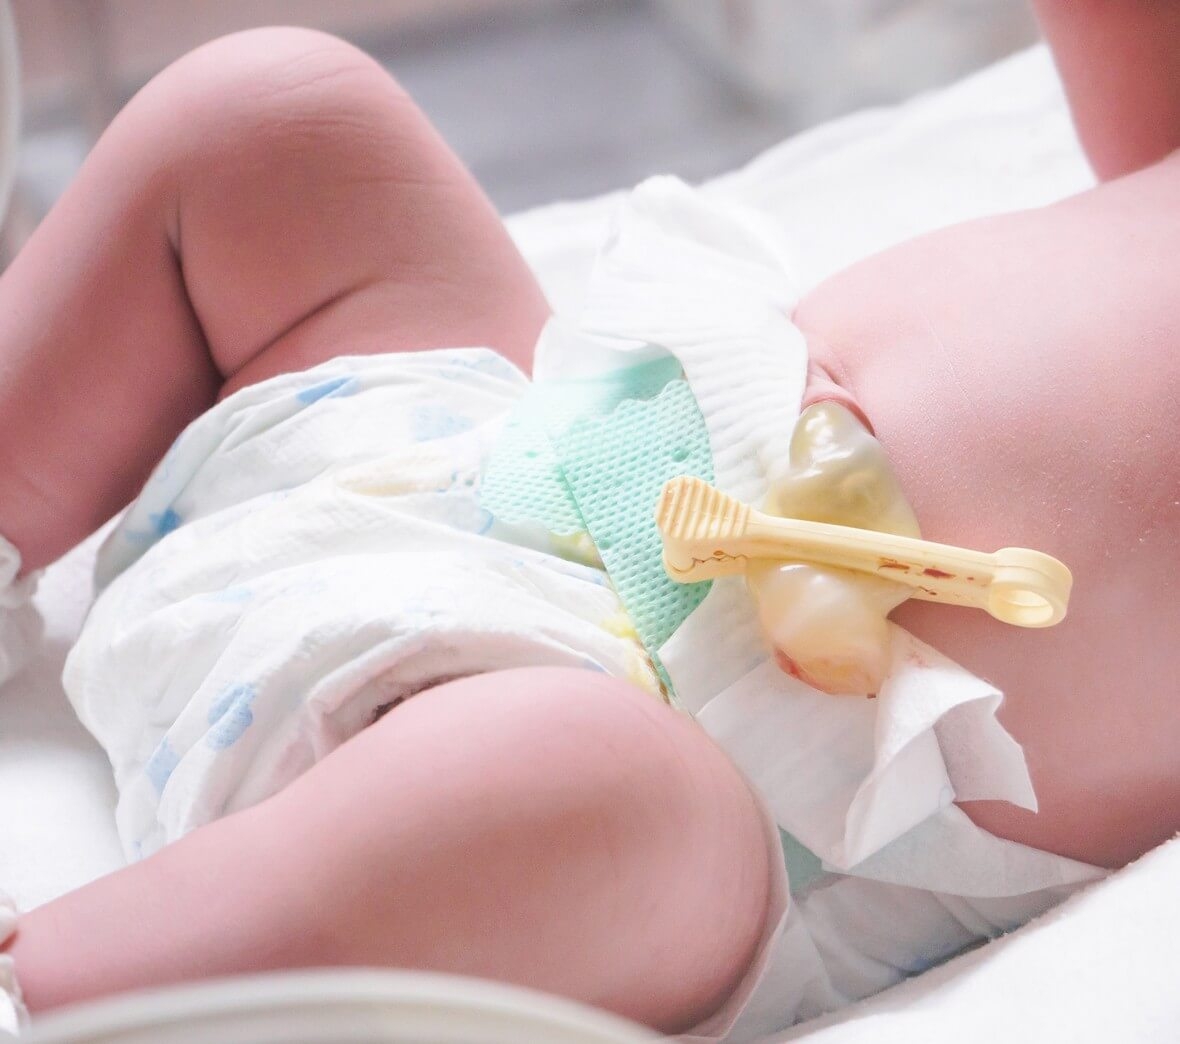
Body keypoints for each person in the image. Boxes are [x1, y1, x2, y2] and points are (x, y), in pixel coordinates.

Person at [0, 1, 1176, 1037]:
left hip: (675, 790)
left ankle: (57, 987)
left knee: (601, 802)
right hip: (473, 441)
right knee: (273, 122)